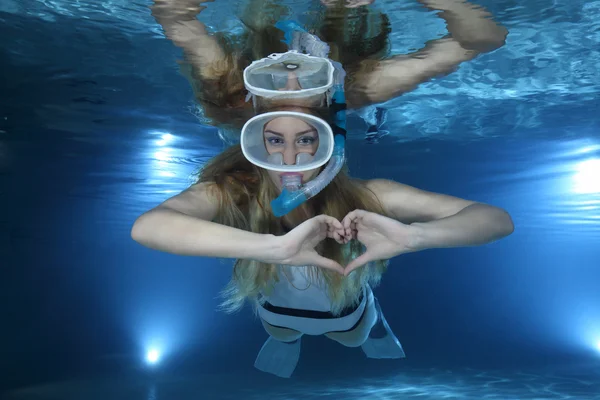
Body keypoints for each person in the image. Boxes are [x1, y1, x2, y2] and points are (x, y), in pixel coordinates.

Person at [131, 45, 515, 377]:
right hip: (275, 314)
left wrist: (416, 236)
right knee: (283, 334)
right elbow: (149, 227)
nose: (290, 159)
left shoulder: (369, 195)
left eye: (306, 140)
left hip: (348, 315)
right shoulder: (234, 193)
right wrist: (275, 249)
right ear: (256, 141)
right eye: (275, 140)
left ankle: (376, 322)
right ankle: (293, 341)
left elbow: (496, 220)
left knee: (352, 339)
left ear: (331, 144)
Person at [149, 0, 508, 134]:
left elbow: (171, 13)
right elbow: (483, 39)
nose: (293, 84)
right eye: (308, 104)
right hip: (350, 53)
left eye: (273, 91)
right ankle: (373, 118)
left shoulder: (226, 84)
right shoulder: (357, 88)